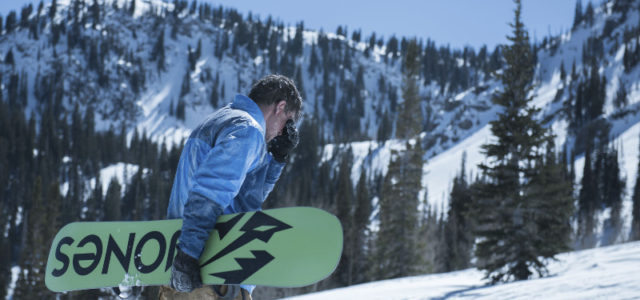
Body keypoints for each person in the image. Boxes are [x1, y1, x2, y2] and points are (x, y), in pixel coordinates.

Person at [159, 74, 302, 300]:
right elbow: (210, 192)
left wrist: (277, 157)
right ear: (280, 107)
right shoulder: (248, 130)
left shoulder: (223, 120)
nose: (282, 131)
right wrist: (188, 255)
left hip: (186, 270)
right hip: (213, 273)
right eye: (289, 122)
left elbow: (244, 199)